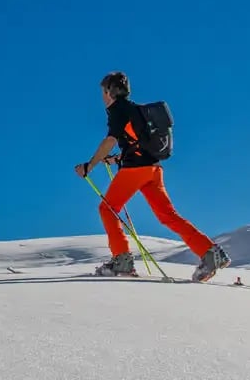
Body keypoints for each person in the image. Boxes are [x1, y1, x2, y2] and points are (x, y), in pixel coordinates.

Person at [74, 71, 231, 281]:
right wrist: (118, 159)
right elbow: (139, 143)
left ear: (109, 92)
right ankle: (210, 253)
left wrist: (89, 165)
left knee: (107, 208)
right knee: (168, 215)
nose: (102, 97)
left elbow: (110, 140)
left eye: (103, 92)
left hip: (135, 170)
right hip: (154, 170)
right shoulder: (137, 109)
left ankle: (121, 260)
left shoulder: (117, 109)